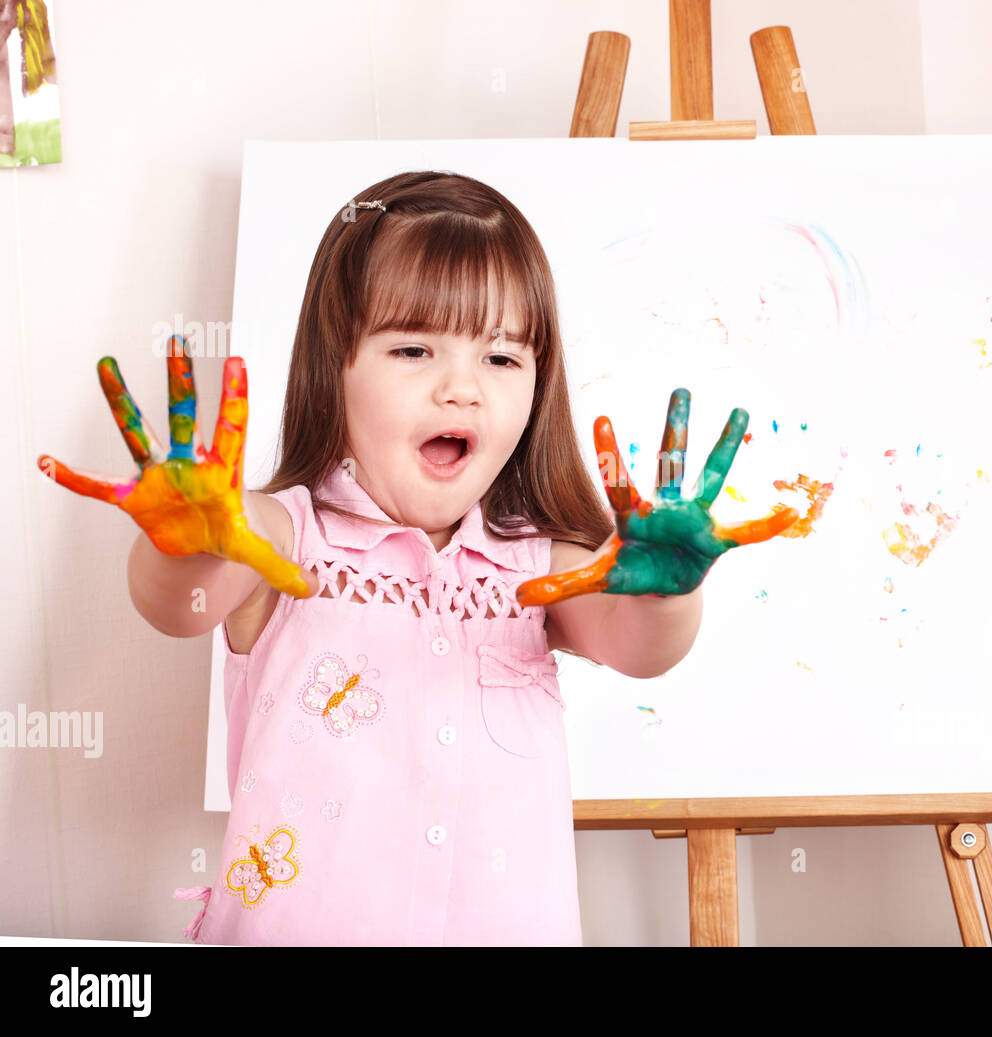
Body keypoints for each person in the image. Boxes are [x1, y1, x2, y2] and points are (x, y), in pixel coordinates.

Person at [36, 170, 798, 946]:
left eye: (502, 359)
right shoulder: (284, 535)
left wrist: (667, 593)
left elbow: (642, 648)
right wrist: (191, 540)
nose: (462, 389)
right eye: (413, 347)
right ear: (336, 366)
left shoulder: (542, 568)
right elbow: (178, 602)